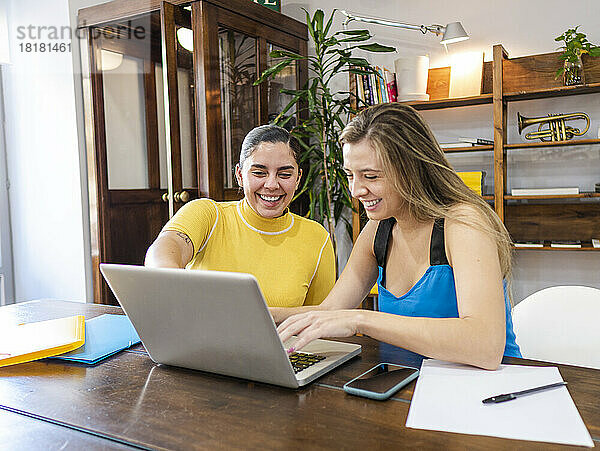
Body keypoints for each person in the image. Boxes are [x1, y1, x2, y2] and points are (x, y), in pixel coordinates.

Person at [275, 103, 521, 370]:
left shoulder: (462, 223)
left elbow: (485, 346)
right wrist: (256, 315)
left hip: (491, 391)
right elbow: (329, 312)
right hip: (410, 386)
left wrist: (361, 320)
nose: (357, 190)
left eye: (370, 176)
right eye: (350, 176)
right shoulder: (378, 230)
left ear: (411, 169)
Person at [145, 124, 335, 308]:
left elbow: (322, 321)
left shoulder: (317, 237)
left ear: (298, 178)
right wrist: (171, 286)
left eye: (284, 174)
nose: (271, 184)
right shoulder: (208, 215)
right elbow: (164, 250)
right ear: (240, 175)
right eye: (259, 173)